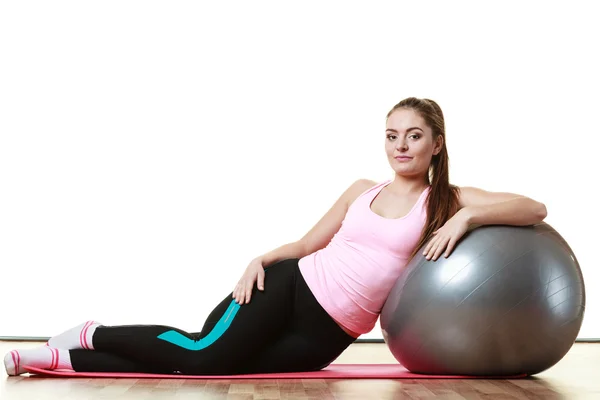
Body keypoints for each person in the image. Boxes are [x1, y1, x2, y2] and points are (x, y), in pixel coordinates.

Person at [4, 97, 547, 376]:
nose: (400, 146)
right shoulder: (362, 187)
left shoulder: (447, 200)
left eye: (413, 136)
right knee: (200, 355)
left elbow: (535, 208)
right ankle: (91, 335)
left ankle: (60, 360)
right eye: (391, 136)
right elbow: (309, 244)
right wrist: (259, 259)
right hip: (290, 287)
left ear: (436, 143)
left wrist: (464, 220)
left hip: (330, 334)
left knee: (208, 368)